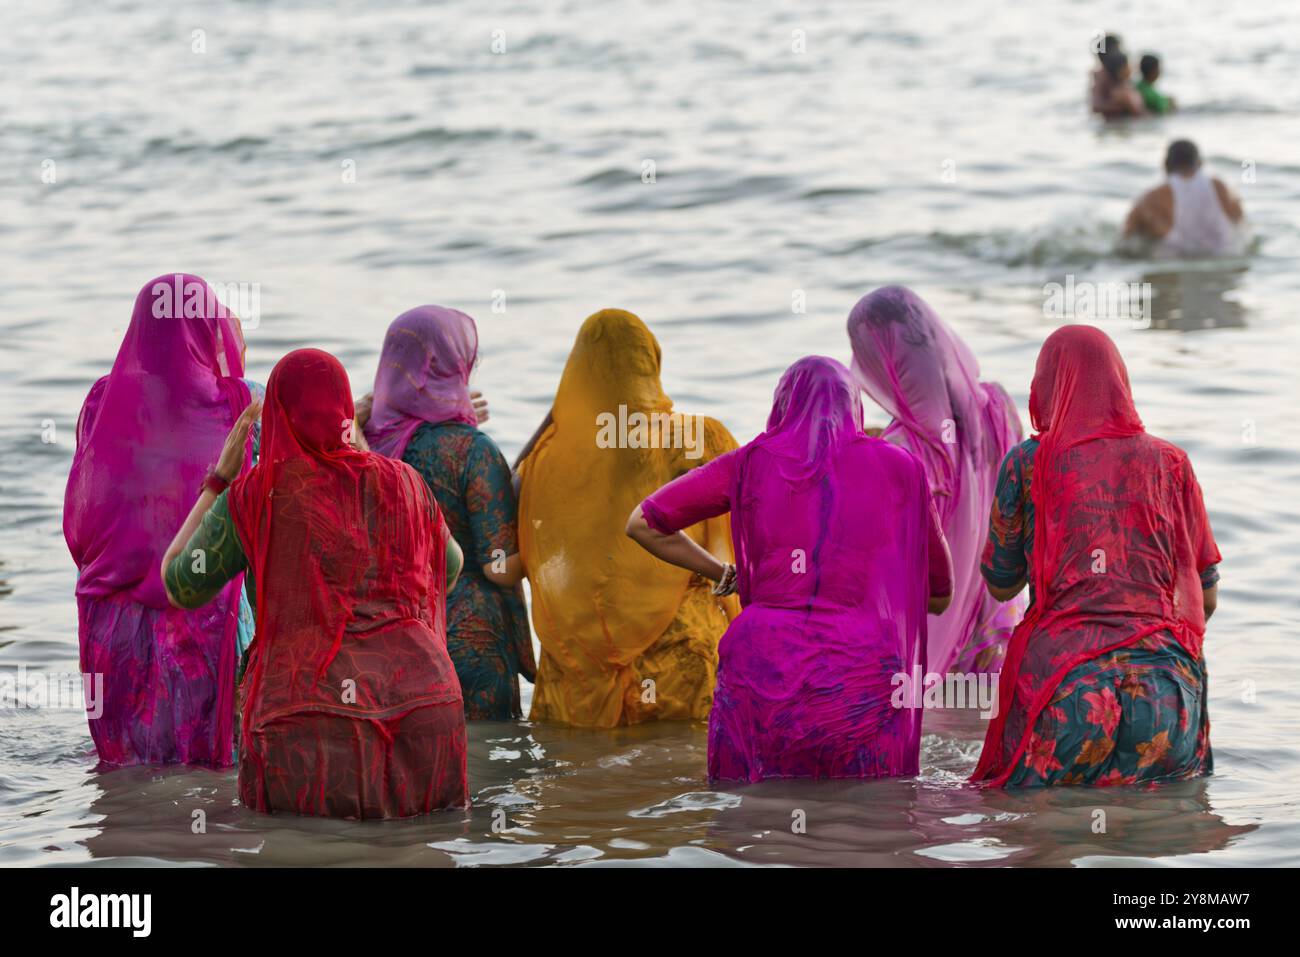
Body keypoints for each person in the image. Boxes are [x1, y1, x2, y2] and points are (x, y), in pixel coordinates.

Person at [161, 349, 468, 818]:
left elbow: (180, 582)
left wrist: (218, 481)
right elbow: (450, 568)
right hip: (424, 705)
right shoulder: (406, 483)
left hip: (305, 715)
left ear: (278, 417)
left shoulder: (254, 496)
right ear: (346, 411)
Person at [627, 356, 953, 782]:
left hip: (761, 663)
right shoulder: (900, 468)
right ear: (852, 408)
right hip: (858, 667)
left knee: (752, 814)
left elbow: (643, 523)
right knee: (867, 821)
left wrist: (720, 572)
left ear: (781, 405)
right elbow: (940, 591)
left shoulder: (746, 463)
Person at [974, 326, 1220, 787]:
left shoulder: (1028, 463)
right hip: (1167, 693)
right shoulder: (1173, 463)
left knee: (1036, 834)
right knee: (1152, 840)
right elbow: (1204, 602)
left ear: (1045, 387)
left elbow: (1001, 583)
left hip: (1065, 692)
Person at [64, 274, 256, 768]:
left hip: (111, 618)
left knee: (127, 769)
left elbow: (86, 511)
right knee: (215, 775)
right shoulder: (239, 401)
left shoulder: (100, 402)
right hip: (207, 617)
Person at [514, 309, 740, 728]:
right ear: (650, 363)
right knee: (685, 777)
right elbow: (738, 539)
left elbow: (511, 524)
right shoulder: (699, 438)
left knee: (582, 782)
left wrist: (551, 421)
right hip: (681, 657)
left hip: (580, 675)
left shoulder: (546, 459)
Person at [360, 305, 534, 720]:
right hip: (472, 644)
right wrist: (553, 548)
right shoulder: (472, 451)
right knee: (489, 778)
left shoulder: (362, 448)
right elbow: (498, 566)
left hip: (395, 640)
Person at [847, 286, 1024, 674]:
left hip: (923, 640)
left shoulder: (896, 448)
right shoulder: (997, 407)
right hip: (996, 625)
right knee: (979, 729)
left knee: (930, 729)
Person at [1125, 140, 1246, 257]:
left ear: (1165, 164)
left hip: (1175, 265)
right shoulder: (1222, 188)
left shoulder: (1152, 198)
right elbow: (1241, 225)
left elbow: (1126, 238)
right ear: (1199, 163)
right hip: (1223, 259)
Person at [1093, 52, 1146, 119]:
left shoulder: (1123, 88)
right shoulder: (1122, 94)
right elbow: (1139, 113)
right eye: (1128, 65)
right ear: (1121, 70)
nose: (1131, 67)